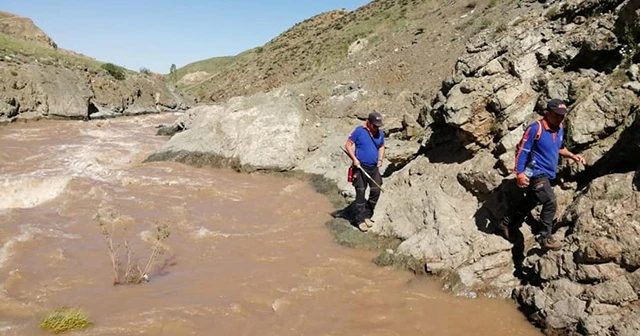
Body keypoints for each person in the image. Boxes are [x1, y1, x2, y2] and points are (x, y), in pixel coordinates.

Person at [498, 99, 586, 250]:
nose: (560, 118)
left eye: (562, 115)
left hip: (549, 173)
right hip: (536, 172)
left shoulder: (559, 128)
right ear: (548, 113)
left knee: (531, 200)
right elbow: (522, 151)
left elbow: (559, 147)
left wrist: (572, 156)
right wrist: (519, 174)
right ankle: (544, 237)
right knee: (550, 201)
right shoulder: (535, 128)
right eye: (557, 115)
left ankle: (506, 223)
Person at [345, 112, 385, 232]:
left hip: (374, 168)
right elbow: (348, 145)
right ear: (369, 123)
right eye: (375, 125)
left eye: (378, 126)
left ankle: (367, 214)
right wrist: (355, 159)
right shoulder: (359, 131)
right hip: (360, 167)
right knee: (361, 193)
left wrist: (380, 159)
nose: (377, 128)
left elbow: (382, 146)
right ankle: (360, 220)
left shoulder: (380, 133)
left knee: (376, 190)